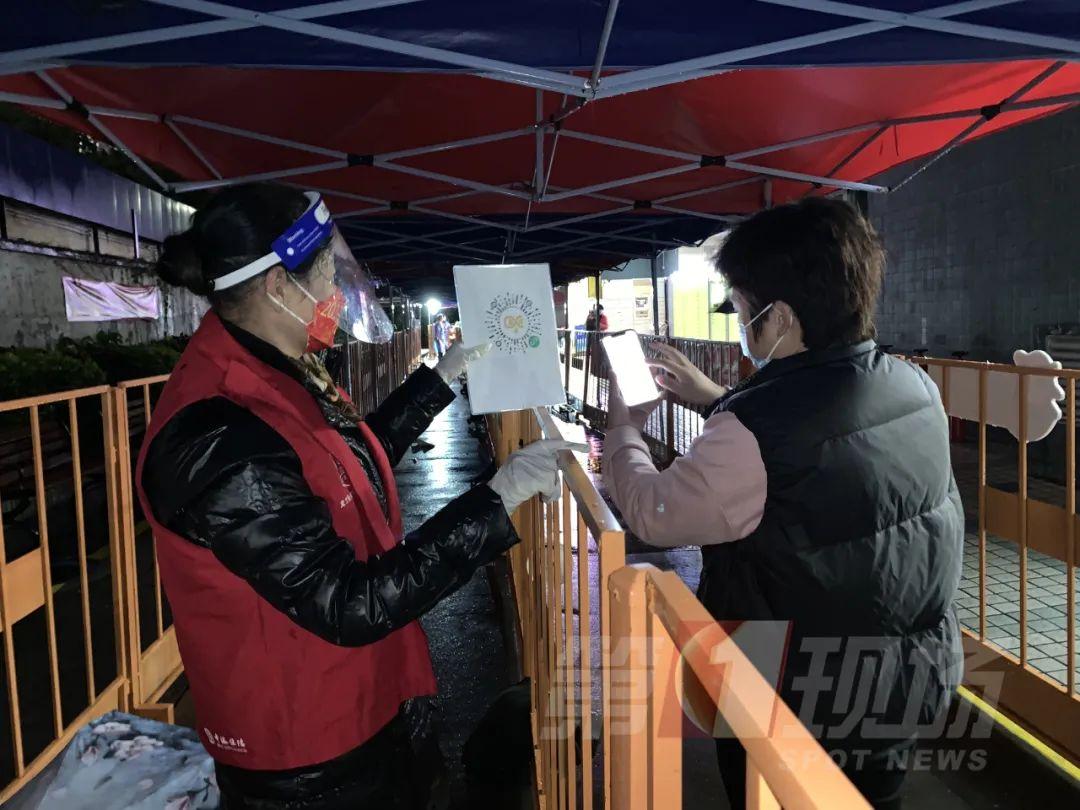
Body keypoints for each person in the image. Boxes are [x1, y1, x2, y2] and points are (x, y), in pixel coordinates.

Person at [136, 183, 578, 809]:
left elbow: (346, 464)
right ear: (278, 286)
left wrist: (443, 377)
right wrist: (496, 500)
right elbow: (346, 601)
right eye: (327, 275)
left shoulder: (269, 366)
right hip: (307, 762)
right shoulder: (219, 435)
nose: (337, 295)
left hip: (360, 707)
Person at [602, 198, 963, 810]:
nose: (741, 323)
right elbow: (821, 453)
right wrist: (719, 398)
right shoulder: (915, 386)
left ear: (783, 318)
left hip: (793, 699)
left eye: (744, 310)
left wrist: (623, 429)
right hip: (904, 680)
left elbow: (651, 512)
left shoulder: (752, 430)